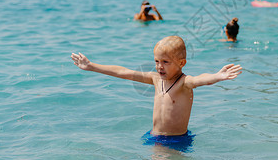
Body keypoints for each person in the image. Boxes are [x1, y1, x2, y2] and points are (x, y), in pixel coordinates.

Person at [71, 36, 242, 150]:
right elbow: (123, 72)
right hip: (154, 136)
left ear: (181, 63)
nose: (159, 66)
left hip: (175, 140)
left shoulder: (184, 82)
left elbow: (200, 79)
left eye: (165, 62)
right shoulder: (155, 79)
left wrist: (218, 76)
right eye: (157, 61)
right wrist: (92, 66)